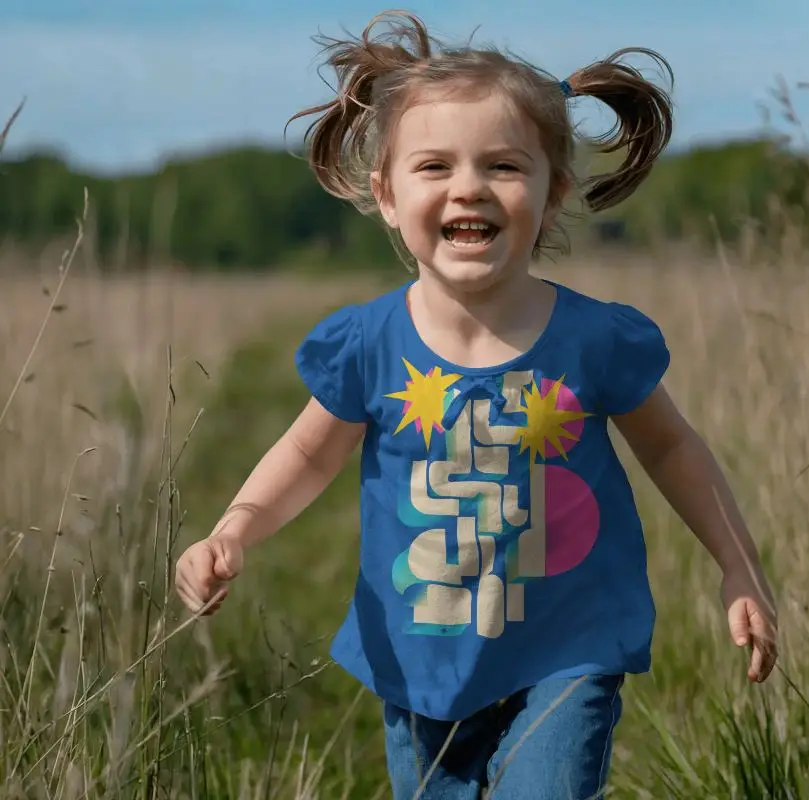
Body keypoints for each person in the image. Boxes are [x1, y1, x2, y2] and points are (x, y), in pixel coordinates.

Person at [174, 10, 778, 799]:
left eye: (502, 166)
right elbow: (307, 452)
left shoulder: (593, 341)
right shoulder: (370, 343)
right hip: (421, 659)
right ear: (387, 195)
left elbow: (671, 448)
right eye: (435, 167)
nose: (469, 187)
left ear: (552, 192)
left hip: (568, 646)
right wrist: (234, 529)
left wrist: (740, 566)